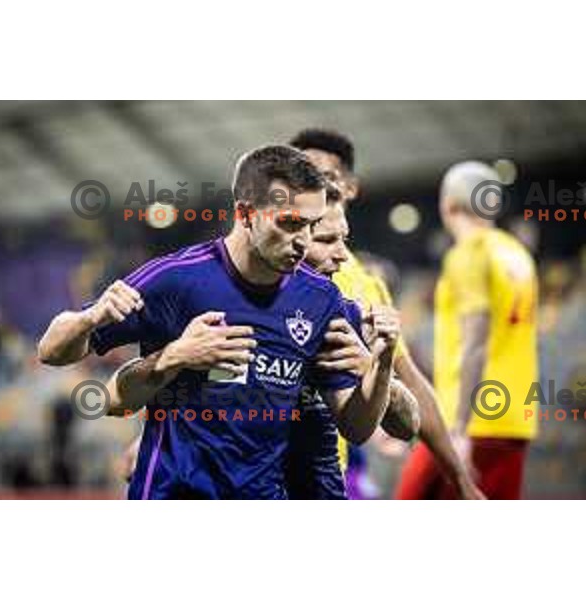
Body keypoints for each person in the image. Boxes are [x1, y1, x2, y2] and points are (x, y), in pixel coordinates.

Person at [38, 144, 398, 499]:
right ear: (245, 215)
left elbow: (356, 427)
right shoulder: (178, 279)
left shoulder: (321, 300)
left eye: (311, 225)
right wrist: (92, 318)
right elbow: (52, 351)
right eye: (290, 223)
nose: (302, 240)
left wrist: (381, 365)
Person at [289, 128, 483, 499]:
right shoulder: (266, 275)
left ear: (349, 188)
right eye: (303, 177)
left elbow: (408, 381)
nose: (313, 189)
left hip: (330, 475)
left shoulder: (365, 285)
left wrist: (458, 476)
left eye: (324, 177)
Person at [395, 161, 538, 499]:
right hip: (515, 418)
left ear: (448, 205)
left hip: (470, 419)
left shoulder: (468, 254)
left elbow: (476, 340)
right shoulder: (517, 254)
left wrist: (458, 429)